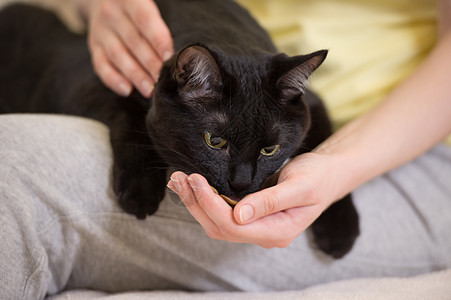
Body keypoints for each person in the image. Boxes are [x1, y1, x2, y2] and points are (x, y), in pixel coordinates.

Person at [0, 0, 450, 299]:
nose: (240, 182)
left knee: (13, 169)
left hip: (405, 147)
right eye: (217, 145)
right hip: (217, 54)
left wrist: (335, 171)